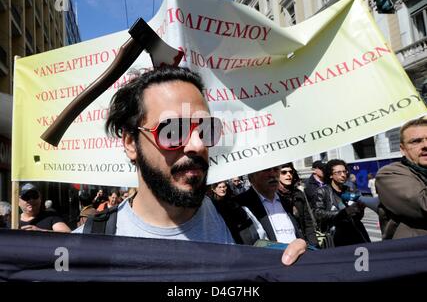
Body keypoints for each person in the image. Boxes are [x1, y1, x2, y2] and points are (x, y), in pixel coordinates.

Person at [75, 66, 305, 265]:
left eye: (206, 130)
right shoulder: (87, 246)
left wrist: (299, 265)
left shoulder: (242, 224)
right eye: (173, 131)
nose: (197, 145)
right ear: (130, 143)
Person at [235, 166, 308, 253]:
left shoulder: (286, 201)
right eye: (266, 170)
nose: (273, 175)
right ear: (252, 177)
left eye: (276, 169)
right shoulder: (240, 205)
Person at [376, 117, 427, 239]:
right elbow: (424, 205)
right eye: (416, 141)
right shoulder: (389, 174)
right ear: (402, 149)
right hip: (417, 253)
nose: (425, 145)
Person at [312, 159, 370, 247]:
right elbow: (318, 214)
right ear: (330, 175)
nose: (343, 175)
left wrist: (360, 210)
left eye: (344, 171)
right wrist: (343, 213)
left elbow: (358, 217)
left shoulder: (350, 189)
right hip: (336, 236)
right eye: (338, 172)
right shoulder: (322, 191)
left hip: (356, 234)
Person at [278, 163, 318, 247]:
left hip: (303, 242)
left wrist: (314, 245)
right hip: (283, 244)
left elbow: (308, 223)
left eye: (290, 172)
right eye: (284, 172)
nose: (288, 175)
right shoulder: (273, 196)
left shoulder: (298, 194)